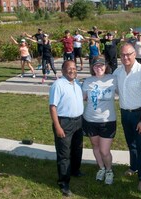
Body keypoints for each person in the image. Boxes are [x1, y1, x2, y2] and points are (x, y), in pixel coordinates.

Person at [113, 43, 141, 191]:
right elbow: (115, 90)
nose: (126, 57)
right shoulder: (117, 72)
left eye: (129, 54)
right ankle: (133, 167)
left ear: (135, 54)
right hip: (125, 113)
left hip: (139, 114)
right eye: (123, 55)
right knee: (131, 144)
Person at [49, 60, 84, 197]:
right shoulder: (58, 85)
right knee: (64, 154)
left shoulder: (77, 83)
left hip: (78, 121)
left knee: (77, 149)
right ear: (63, 70)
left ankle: (75, 170)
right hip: (64, 122)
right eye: (69, 68)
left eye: (74, 68)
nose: (72, 70)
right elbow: (53, 107)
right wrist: (57, 126)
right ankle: (63, 181)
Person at [82, 56, 117, 185]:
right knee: (95, 146)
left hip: (107, 121)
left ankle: (109, 170)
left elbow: (123, 92)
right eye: (96, 65)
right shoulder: (88, 81)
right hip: (90, 119)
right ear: (92, 67)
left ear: (106, 66)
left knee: (104, 150)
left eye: (101, 65)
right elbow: (83, 97)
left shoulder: (113, 79)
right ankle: (101, 168)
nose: (99, 68)